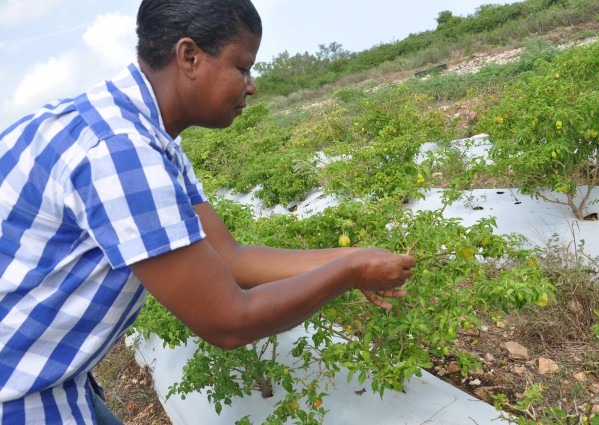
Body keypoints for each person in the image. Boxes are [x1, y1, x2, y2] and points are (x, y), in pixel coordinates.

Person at [0, 0, 415, 423]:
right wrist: (348, 274)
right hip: (18, 393)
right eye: (242, 67)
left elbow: (230, 258)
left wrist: (352, 256)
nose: (251, 85)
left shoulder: (141, 135)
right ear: (190, 57)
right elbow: (229, 320)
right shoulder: (120, 151)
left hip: (50, 375)